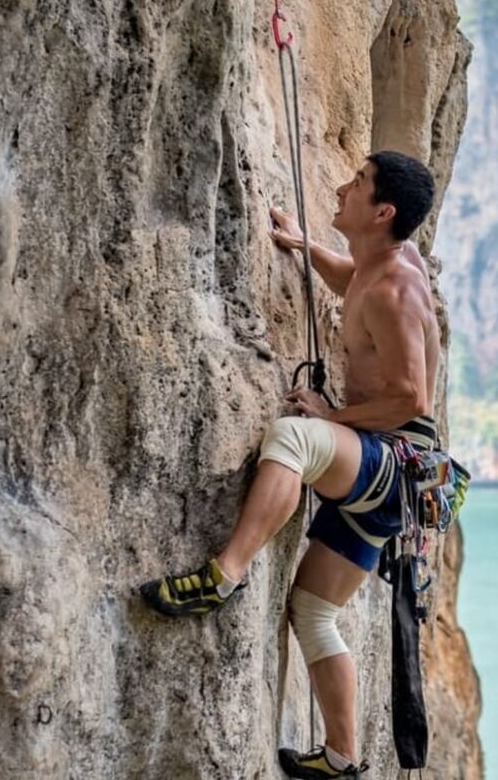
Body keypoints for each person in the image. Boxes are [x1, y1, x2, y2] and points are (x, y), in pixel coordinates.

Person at [140, 150, 441, 780]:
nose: (341, 186)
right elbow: (352, 285)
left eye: (357, 183)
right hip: (398, 480)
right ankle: (341, 757)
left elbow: (413, 398)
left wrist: (331, 417)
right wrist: (307, 248)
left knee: (294, 439)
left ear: (383, 211)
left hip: (395, 458)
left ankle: (224, 575)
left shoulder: (395, 287)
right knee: (312, 608)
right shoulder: (384, 262)